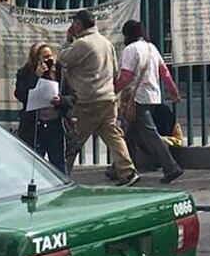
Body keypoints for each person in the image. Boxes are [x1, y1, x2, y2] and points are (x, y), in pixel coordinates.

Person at [58, 10, 140, 186]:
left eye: (74, 24)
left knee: (74, 138)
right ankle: (127, 171)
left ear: (78, 24)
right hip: (107, 96)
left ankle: (61, 175)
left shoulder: (82, 44)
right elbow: (115, 70)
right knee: (113, 135)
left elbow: (62, 59)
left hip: (87, 99)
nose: (72, 27)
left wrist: (66, 42)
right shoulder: (106, 42)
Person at [116, 20, 184, 184]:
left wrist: (113, 89)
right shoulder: (151, 47)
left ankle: (171, 167)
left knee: (150, 135)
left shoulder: (131, 49)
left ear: (127, 35)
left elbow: (126, 75)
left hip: (138, 98)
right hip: (153, 96)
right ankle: (120, 169)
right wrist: (173, 92)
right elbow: (165, 72)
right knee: (129, 134)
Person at [15, 42, 76, 173]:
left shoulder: (60, 72)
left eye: (50, 56)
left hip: (55, 124)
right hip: (35, 125)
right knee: (34, 164)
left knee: (58, 163)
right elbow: (20, 94)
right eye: (45, 57)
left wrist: (61, 100)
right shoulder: (25, 72)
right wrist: (36, 76)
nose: (49, 60)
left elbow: (73, 97)